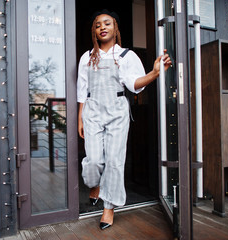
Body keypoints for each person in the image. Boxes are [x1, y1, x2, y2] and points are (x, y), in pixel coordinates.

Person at [77, 9, 172, 230]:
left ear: (115, 28)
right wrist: (80, 117)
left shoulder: (126, 56)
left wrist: (155, 73)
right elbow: (82, 89)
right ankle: (94, 184)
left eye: (107, 23)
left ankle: (108, 207)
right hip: (92, 110)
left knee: (114, 161)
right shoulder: (86, 57)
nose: (102, 27)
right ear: (94, 31)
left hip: (117, 111)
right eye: (98, 24)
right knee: (93, 160)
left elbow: (135, 84)